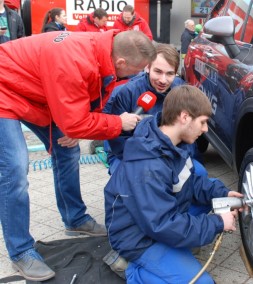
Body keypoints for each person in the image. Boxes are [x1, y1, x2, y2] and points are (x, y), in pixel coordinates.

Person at [0, 30, 156, 281]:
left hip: (38, 93)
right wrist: (115, 122)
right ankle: (20, 251)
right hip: (4, 89)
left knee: (68, 149)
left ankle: (74, 218)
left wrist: (79, 126)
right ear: (121, 63)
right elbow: (76, 120)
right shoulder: (72, 62)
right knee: (15, 170)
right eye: (137, 70)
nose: (138, 76)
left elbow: (89, 101)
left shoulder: (102, 50)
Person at [104, 85, 243, 283]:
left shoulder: (176, 143)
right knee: (202, 282)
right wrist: (218, 223)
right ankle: (135, 271)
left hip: (158, 218)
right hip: (137, 237)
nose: (205, 129)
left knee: (212, 191)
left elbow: (192, 182)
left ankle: (172, 253)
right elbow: (162, 224)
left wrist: (223, 193)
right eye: (203, 122)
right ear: (184, 117)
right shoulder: (148, 168)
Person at [105, 43, 186, 175]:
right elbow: (117, 142)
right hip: (128, 156)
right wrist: (151, 160)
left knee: (198, 173)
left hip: (168, 155)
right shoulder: (127, 92)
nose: (163, 80)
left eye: (170, 74)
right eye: (158, 71)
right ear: (147, 67)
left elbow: (188, 137)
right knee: (140, 180)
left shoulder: (181, 92)